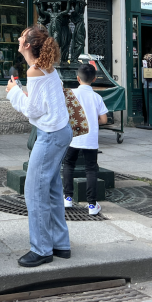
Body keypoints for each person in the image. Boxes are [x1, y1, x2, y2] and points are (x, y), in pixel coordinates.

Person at [6, 25, 72, 267]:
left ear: (26, 45)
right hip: (60, 131)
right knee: (53, 189)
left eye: (22, 36)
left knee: (34, 192)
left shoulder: (34, 70)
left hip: (50, 134)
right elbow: (40, 103)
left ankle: (42, 249)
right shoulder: (45, 68)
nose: (19, 37)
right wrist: (21, 90)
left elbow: (33, 110)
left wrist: (14, 92)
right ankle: (60, 244)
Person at [62, 63, 108, 215]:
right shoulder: (97, 97)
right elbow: (104, 119)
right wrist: (93, 121)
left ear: (77, 78)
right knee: (91, 169)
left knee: (68, 164)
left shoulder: (70, 93)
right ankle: (92, 205)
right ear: (94, 79)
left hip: (72, 137)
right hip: (90, 138)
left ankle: (67, 197)